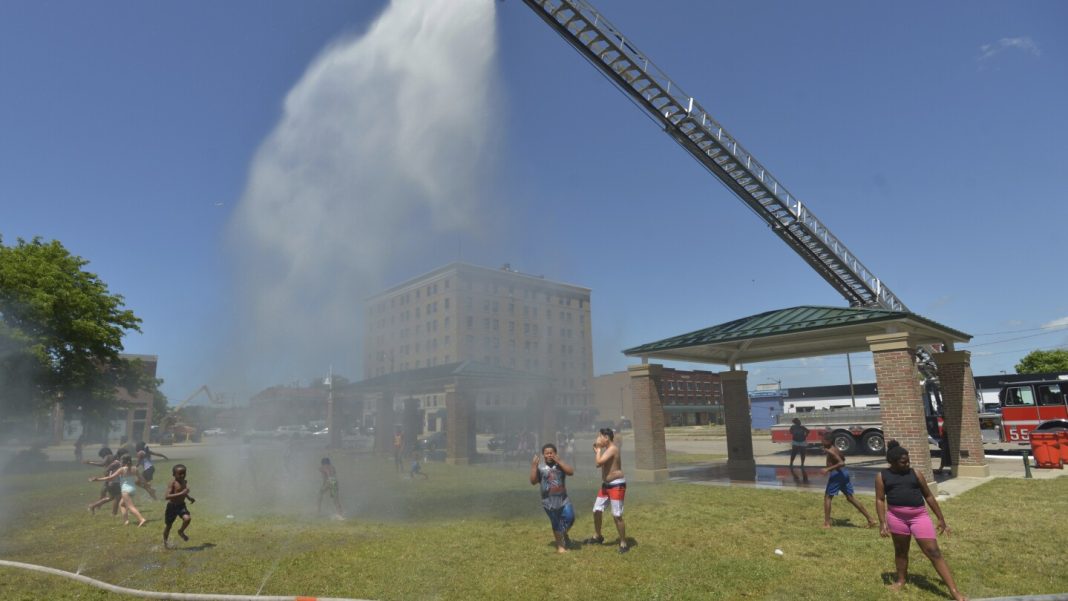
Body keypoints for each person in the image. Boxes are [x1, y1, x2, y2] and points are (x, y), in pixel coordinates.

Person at [876, 440, 966, 601]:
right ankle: (901, 580)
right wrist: (882, 522)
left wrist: (941, 518)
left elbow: (929, 496)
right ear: (892, 462)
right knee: (901, 551)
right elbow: (880, 499)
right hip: (896, 518)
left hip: (918, 517)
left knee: (933, 552)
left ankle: (954, 591)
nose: (907, 464)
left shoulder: (916, 474)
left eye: (908, 460)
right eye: (903, 462)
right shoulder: (882, 476)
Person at [583, 427, 629, 553]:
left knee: (617, 515)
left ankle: (623, 543)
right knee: (596, 510)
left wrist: (598, 450)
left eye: (600, 437)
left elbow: (598, 463)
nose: (598, 439)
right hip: (606, 485)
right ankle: (598, 536)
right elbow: (601, 463)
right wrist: (598, 450)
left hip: (616, 485)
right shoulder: (608, 449)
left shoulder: (613, 449)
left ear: (607, 438)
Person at [821, 432, 877, 529]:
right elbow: (843, 458)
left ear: (828, 441)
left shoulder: (831, 451)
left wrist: (827, 469)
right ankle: (870, 519)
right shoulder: (835, 449)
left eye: (823, 440)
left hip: (837, 475)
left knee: (828, 497)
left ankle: (827, 523)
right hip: (844, 474)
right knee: (850, 498)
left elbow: (841, 463)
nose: (821, 441)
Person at [530, 443, 575, 554]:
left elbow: (571, 472)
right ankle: (561, 547)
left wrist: (560, 462)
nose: (549, 455)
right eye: (547, 453)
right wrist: (534, 466)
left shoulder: (560, 465)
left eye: (551, 453)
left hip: (563, 499)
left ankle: (563, 534)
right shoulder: (540, 467)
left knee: (570, 517)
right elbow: (533, 481)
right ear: (543, 455)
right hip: (548, 501)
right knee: (556, 522)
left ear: (555, 454)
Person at [90, 454, 147, 526]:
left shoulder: (122, 469)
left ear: (123, 461)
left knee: (130, 506)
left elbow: (110, 478)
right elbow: (142, 478)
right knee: (122, 504)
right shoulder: (135, 468)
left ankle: (141, 519)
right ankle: (126, 521)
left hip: (125, 490)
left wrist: (97, 479)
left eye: (121, 460)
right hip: (133, 489)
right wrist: (147, 485)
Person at [163, 464, 195, 549]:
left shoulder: (184, 481)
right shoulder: (172, 483)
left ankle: (181, 531)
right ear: (174, 474)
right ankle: (165, 543)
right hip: (172, 507)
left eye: (184, 473)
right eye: (180, 474)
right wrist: (181, 493)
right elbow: (167, 496)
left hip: (181, 505)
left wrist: (189, 498)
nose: (182, 475)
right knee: (168, 526)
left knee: (187, 519)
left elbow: (184, 492)